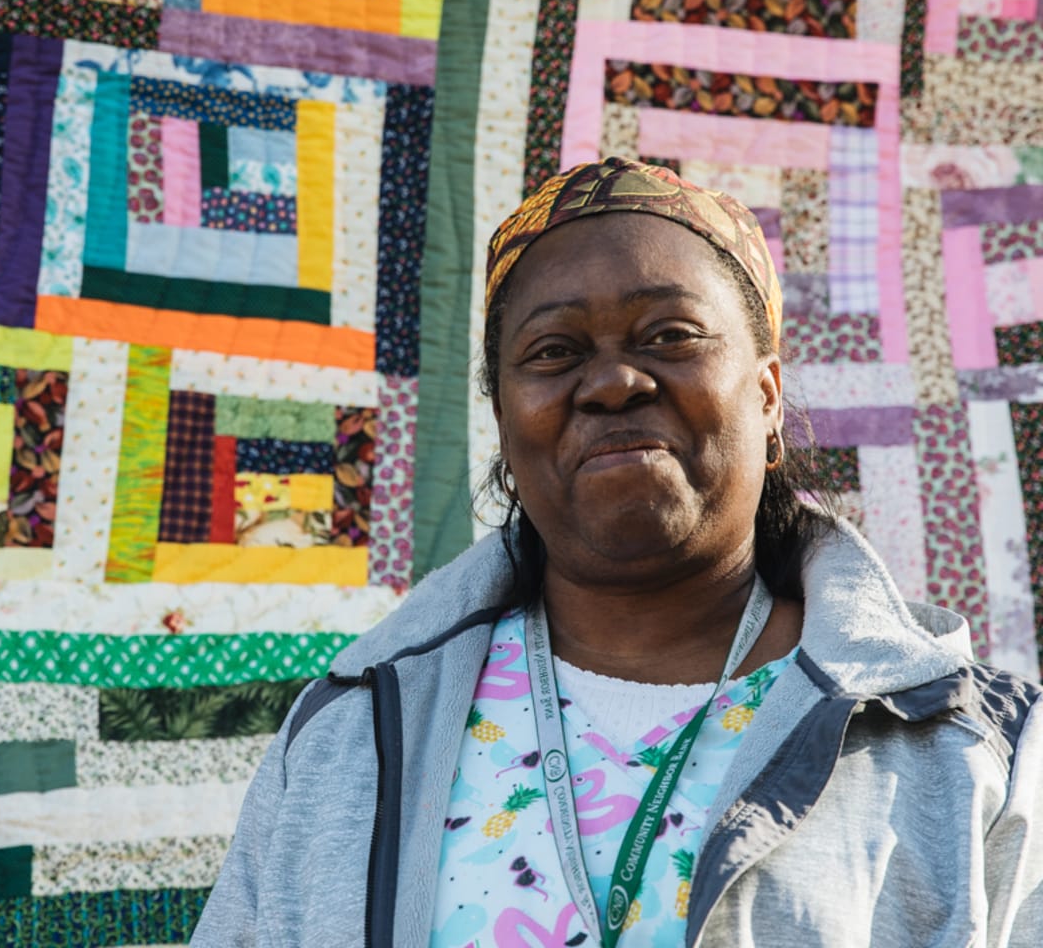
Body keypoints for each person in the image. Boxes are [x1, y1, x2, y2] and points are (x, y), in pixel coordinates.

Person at [192, 158, 1043, 948]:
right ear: (505, 424)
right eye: (554, 353)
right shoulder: (349, 730)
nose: (611, 384)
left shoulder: (978, 749)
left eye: (670, 335)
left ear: (768, 397)